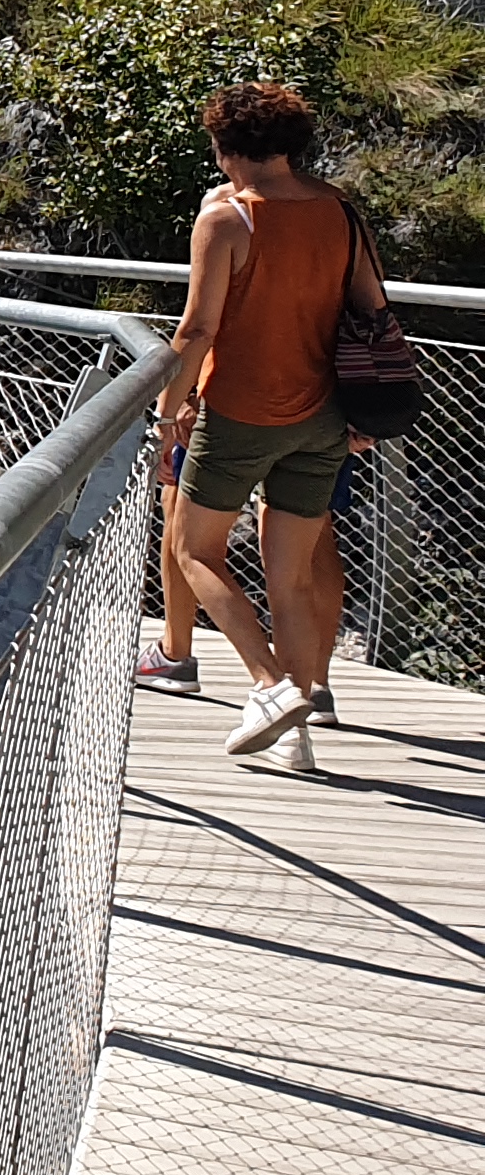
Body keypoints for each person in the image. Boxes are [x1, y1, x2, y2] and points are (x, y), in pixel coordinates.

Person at [146, 81, 384, 773]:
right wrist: (365, 410)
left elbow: (196, 329)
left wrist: (165, 414)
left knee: (194, 550)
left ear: (226, 148)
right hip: (323, 417)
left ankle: (268, 685)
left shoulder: (227, 220)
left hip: (240, 414)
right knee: (292, 577)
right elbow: (372, 310)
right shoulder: (340, 212)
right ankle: (297, 737)